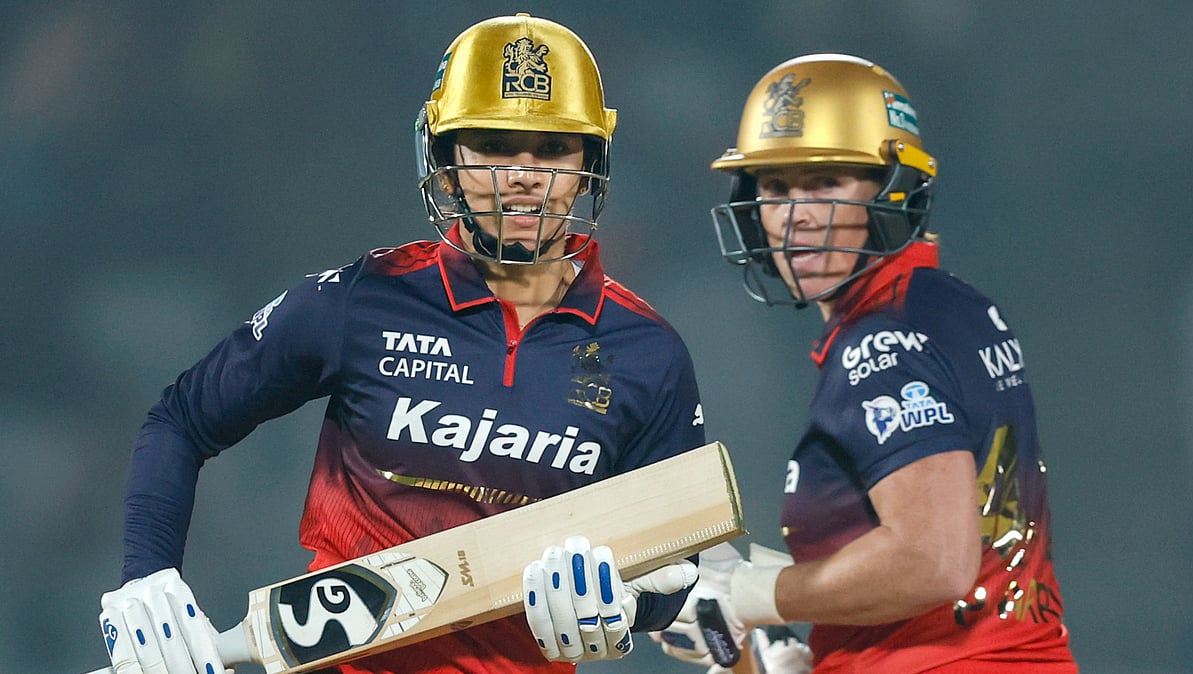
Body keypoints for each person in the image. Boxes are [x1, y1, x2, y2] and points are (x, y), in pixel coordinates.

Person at [96, 13, 706, 674]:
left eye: (553, 148)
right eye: (494, 147)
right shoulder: (362, 298)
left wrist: (630, 600)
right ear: (444, 163)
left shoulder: (649, 352)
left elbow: (679, 560)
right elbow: (182, 420)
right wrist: (147, 575)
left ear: (592, 162)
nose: (525, 175)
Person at [652, 54, 1078, 673]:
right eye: (775, 187)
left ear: (893, 189)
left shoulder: (879, 344)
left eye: (825, 182)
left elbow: (933, 559)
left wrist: (749, 596)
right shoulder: (950, 305)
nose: (795, 214)